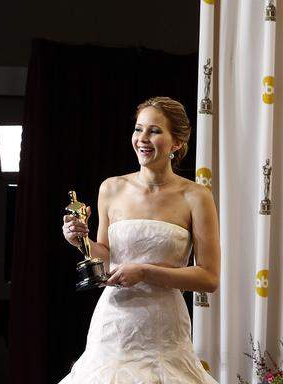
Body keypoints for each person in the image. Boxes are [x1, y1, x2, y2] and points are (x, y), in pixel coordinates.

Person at [59, 96, 220, 383]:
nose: (142, 139)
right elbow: (106, 256)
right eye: (138, 129)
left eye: (155, 131)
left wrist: (145, 272)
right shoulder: (112, 188)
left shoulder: (196, 196)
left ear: (177, 143)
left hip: (164, 328)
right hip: (115, 324)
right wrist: (78, 241)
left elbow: (208, 277)